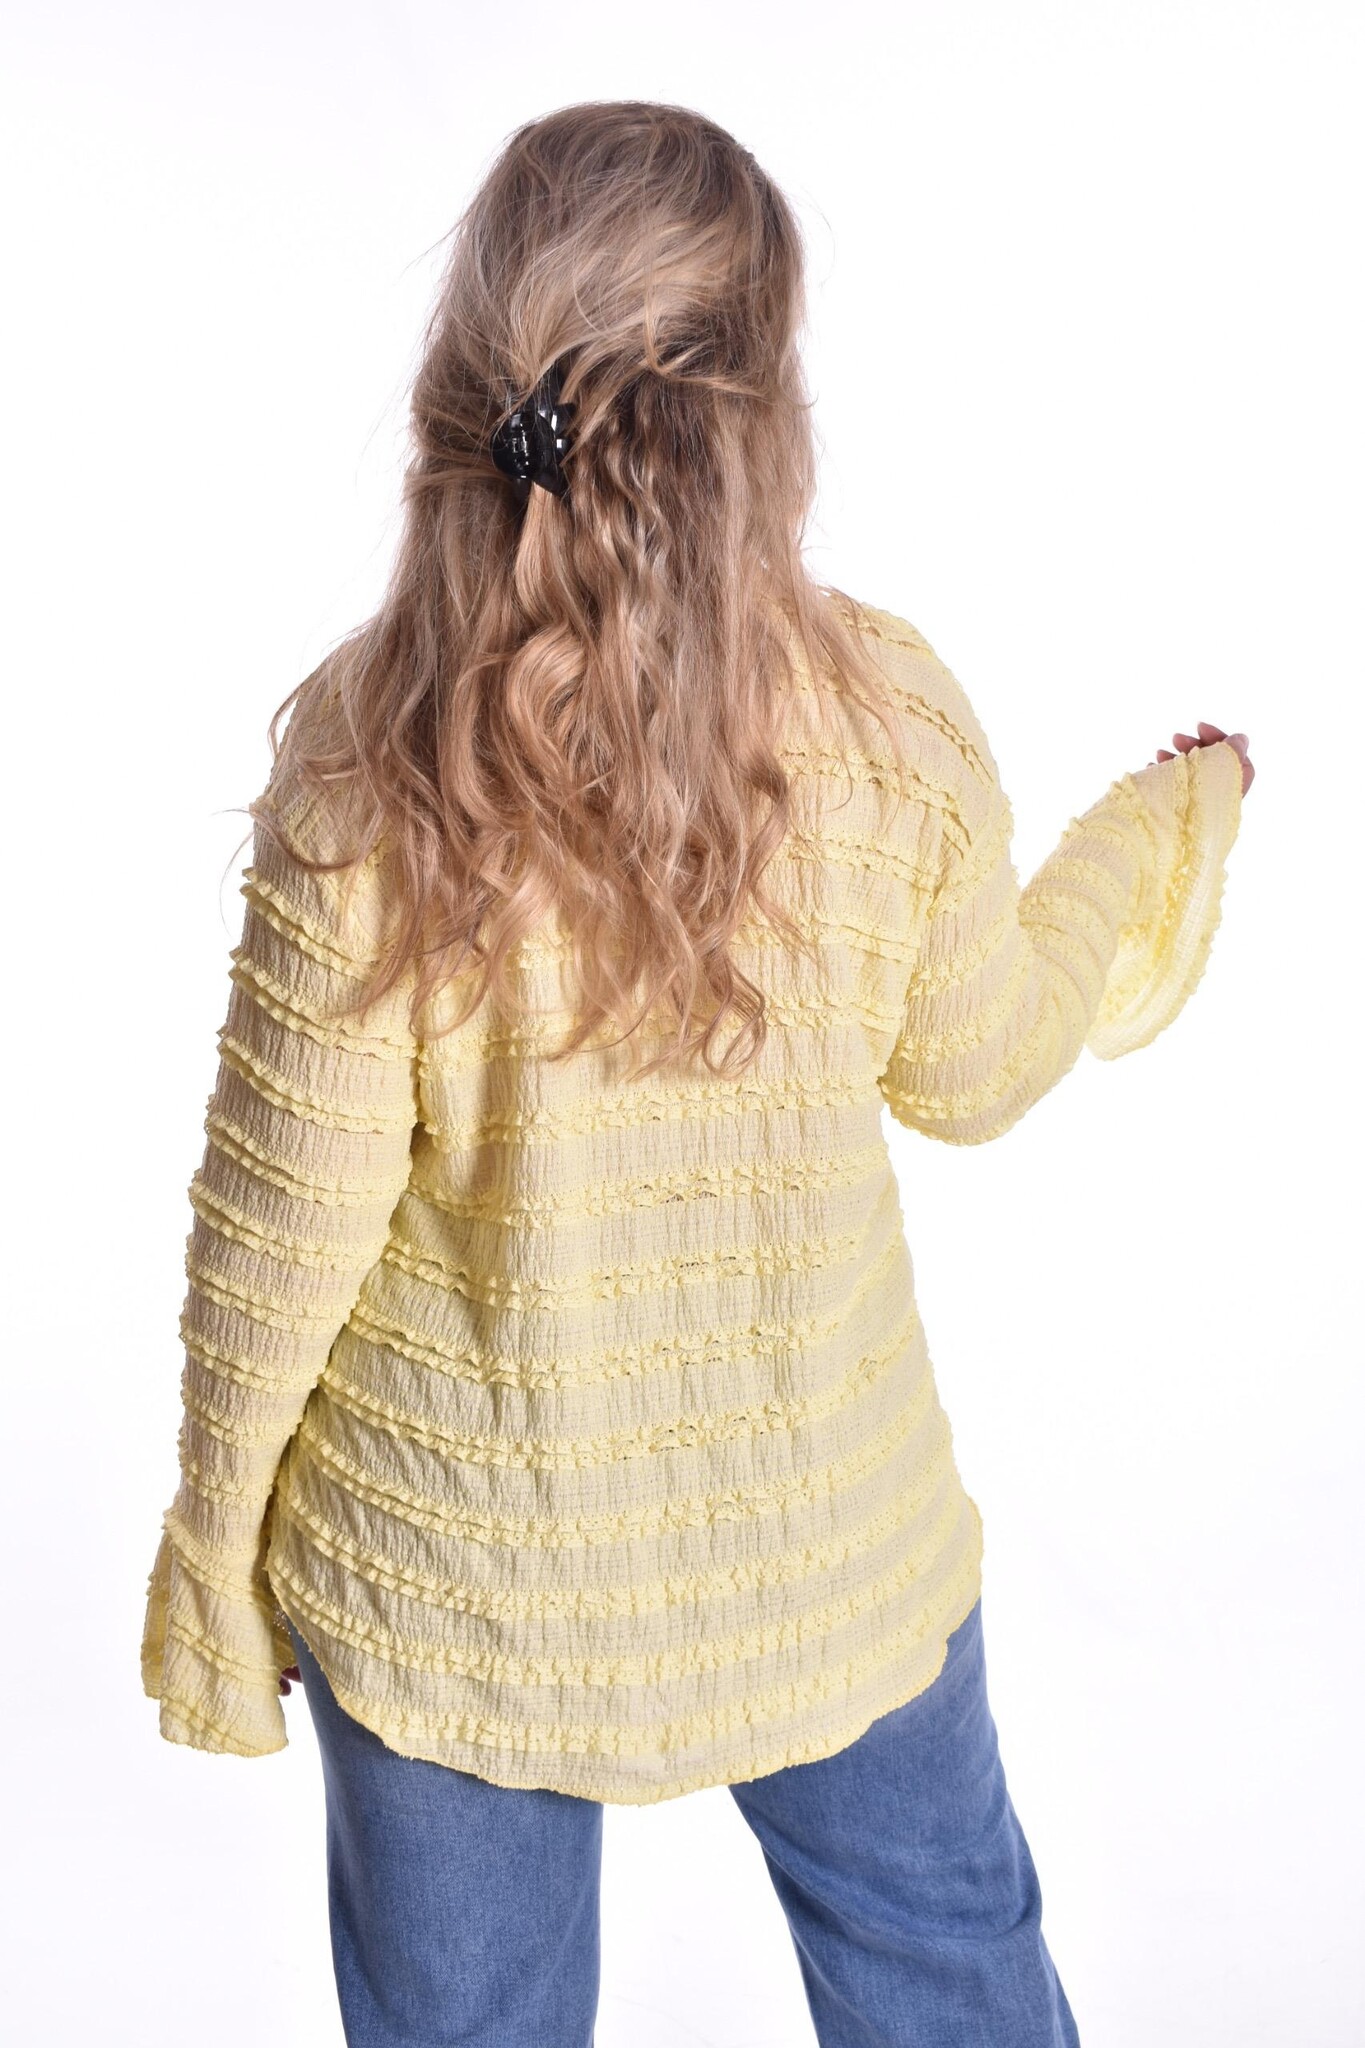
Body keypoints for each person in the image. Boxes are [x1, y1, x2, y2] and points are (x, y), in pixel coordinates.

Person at [139, 99, 1253, 2048]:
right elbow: (976, 1068)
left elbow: (277, 1236)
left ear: (471, 381)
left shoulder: (365, 764)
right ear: (766, 404)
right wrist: (1148, 839)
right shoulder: (885, 717)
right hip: (823, 1539)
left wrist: (213, 1550)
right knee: (943, 1966)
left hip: (451, 1573)